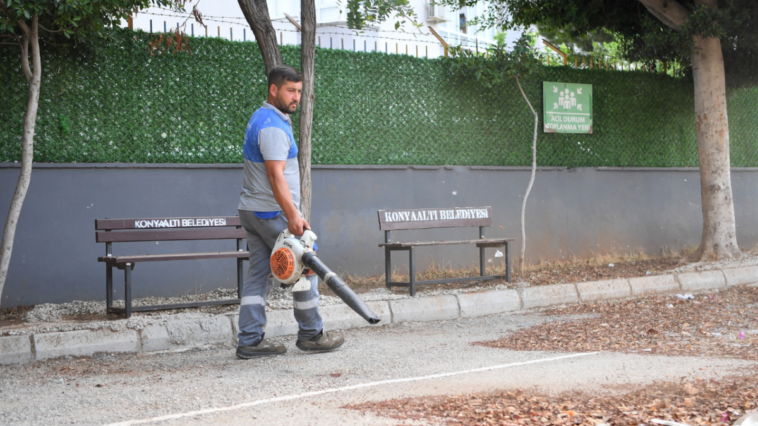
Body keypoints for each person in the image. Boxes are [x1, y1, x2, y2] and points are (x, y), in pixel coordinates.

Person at [236, 65, 344, 359]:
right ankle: (311, 335)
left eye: (299, 91)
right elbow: (275, 176)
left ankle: (249, 340)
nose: (296, 97)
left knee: (258, 274)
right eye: (290, 91)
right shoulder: (271, 125)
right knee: (305, 268)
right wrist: (293, 216)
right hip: (271, 213)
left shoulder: (265, 117)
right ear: (273, 90)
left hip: (253, 210)